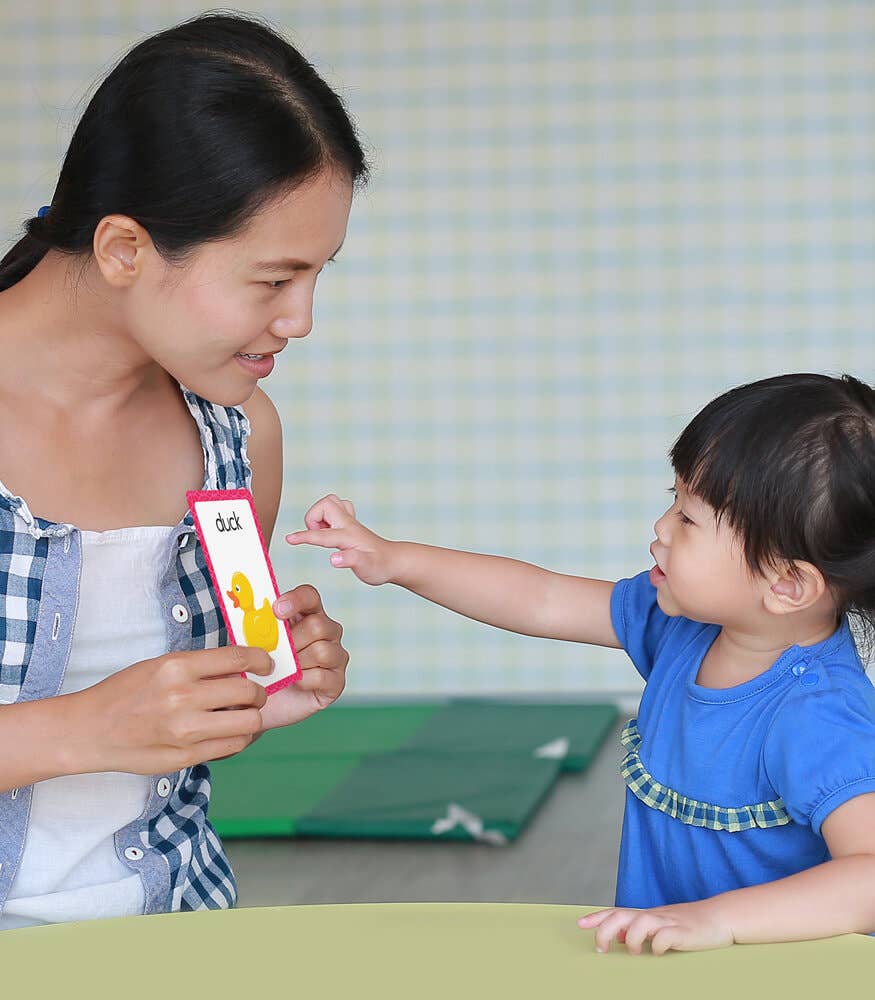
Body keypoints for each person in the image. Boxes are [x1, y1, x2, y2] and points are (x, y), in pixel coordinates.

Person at [287, 372, 875, 954]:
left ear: (787, 584)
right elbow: (541, 599)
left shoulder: (819, 714)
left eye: (689, 519)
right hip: (668, 963)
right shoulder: (686, 629)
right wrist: (394, 559)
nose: (661, 527)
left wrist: (717, 920)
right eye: (672, 500)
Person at [0, 12, 367, 928]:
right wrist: (81, 729)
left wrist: (259, 691)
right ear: (125, 248)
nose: (300, 320)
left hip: (180, 931)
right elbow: (106, 728)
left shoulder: (239, 437)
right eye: (272, 280)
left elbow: (192, 726)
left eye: (316, 275)